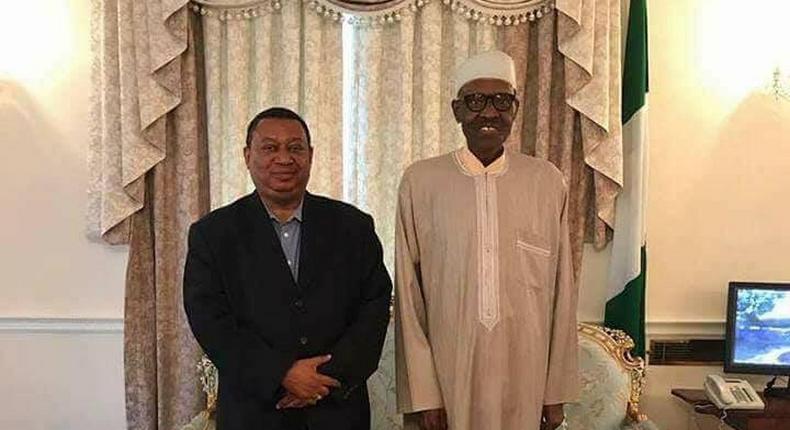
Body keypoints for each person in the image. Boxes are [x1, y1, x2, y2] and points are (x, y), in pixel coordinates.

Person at [394, 51, 578, 430]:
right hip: (450, 372)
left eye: (501, 101)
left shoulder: (546, 182)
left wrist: (554, 392)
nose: (489, 113)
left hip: (524, 374)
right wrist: (425, 394)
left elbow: (562, 293)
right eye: (475, 101)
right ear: (456, 110)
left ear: (516, 107)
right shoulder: (421, 182)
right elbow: (409, 299)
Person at [184, 107, 392, 430]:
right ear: (247, 155)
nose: (284, 158)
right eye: (270, 148)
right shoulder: (214, 234)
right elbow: (210, 321)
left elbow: (375, 309)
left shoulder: (353, 227)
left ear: (310, 156)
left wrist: (324, 378)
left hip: (337, 413)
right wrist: (281, 374)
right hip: (254, 414)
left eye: (295, 148)